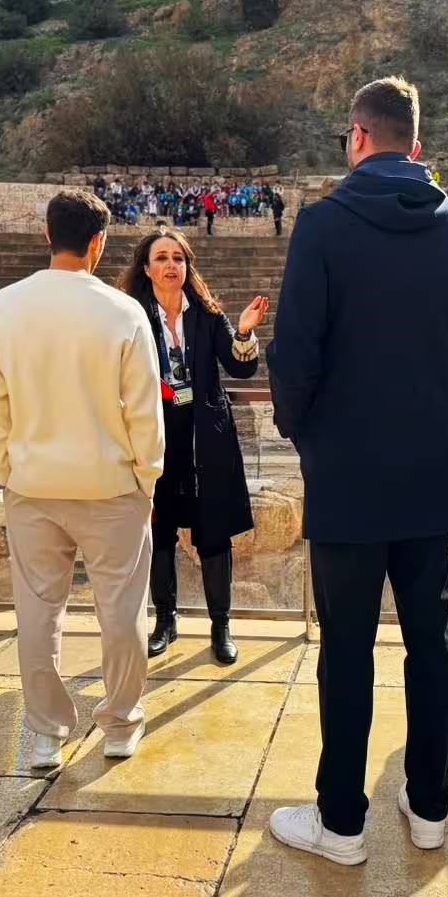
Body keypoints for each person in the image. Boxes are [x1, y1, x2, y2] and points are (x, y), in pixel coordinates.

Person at [266, 76, 448, 865]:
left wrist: (307, 434)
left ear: (357, 136)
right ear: (417, 142)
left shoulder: (325, 225)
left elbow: (295, 351)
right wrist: (429, 402)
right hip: (425, 467)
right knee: (429, 639)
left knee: (347, 646)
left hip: (344, 469)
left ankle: (342, 824)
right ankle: (430, 807)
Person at [0, 190, 165, 771]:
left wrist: (8, 468)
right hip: (110, 485)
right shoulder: (122, 311)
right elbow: (143, 411)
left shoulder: (4, 307)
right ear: (99, 243)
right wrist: (146, 478)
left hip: (32, 484)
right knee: (121, 610)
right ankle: (121, 724)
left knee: (37, 613)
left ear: (46, 236)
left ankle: (45, 734)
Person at [118, 228, 268, 665]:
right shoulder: (131, 317)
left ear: (187, 266)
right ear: (146, 269)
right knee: (159, 530)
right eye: (161, 258)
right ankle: (165, 621)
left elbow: (241, 369)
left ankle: (221, 626)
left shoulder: (207, 314)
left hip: (207, 439)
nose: (170, 266)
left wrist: (243, 332)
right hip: (155, 437)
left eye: (178, 258)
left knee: (214, 533)